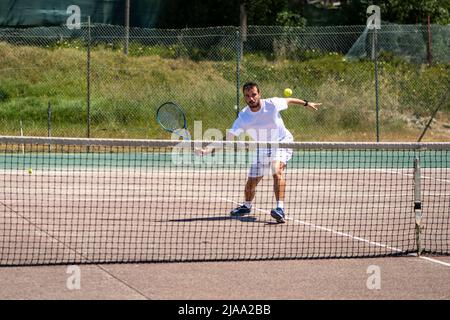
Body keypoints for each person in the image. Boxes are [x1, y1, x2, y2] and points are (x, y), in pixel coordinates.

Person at [201, 82, 321, 223]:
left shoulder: (272, 104)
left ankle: (280, 209)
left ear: (259, 94)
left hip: (282, 142)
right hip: (262, 147)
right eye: (247, 96)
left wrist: (306, 103)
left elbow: (289, 100)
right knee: (251, 182)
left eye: (253, 94)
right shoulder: (244, 116)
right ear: (244, 97)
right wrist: (208, 149)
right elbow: (229, 136)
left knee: (276, 171)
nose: (251, 98)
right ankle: (246, 206)